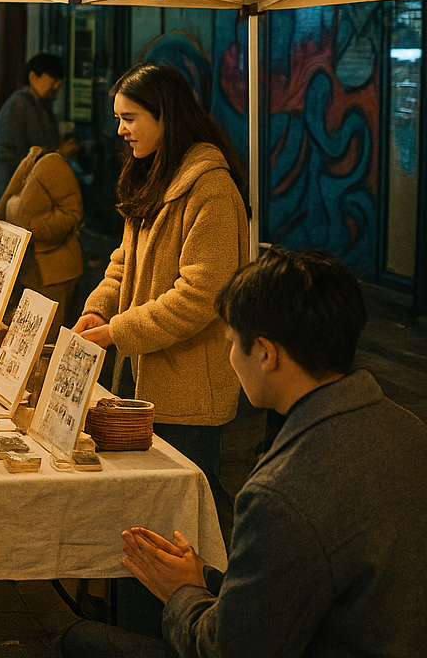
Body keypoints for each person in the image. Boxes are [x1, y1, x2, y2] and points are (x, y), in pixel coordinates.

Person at [62, 248, 427, 658]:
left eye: (232, 343)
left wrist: (181, 592)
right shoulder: (412, 431)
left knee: (79, 639)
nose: (231, 358)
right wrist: (209, 578)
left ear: (267, 354)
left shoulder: (281, 492)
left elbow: (224, 649)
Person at [72, 62, 248, 494]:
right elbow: (123, 260)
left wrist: (117, 331)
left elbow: (201, 295)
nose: (120, 130)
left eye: (129, 118)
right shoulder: (154, 173)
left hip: (188, 396)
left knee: (182, 520)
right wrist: (98, 310)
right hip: (142, 374)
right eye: (118, 118)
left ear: (166, 115)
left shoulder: (211, 189)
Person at [0, 144, 83, 335]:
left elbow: (73, 213)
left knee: (42, 339)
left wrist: (34, 228)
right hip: (29, 269)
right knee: (24, 338)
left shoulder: (51, 164)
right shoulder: (31, 159)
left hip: (53, 271)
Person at [0, 52, 64, 189]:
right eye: (53, 80)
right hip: (14, 185)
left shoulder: (41, 104)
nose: (56, 86)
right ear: (33, 77)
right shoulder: (18, 105)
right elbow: (11, 154)